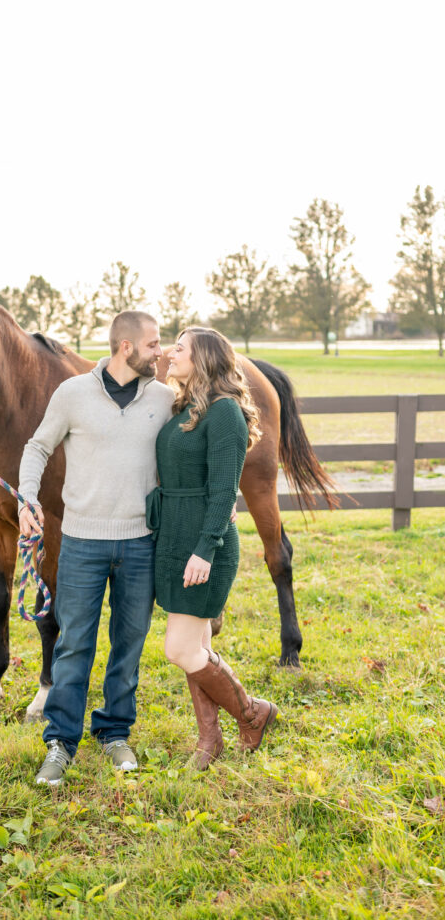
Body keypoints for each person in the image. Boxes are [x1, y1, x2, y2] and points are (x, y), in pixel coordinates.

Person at [18, 310, 175, 786]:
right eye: (153, 344)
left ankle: (114, 732)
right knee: (73, 645)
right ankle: (60, 742)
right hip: (83, 542)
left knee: (128, 644)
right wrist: (27, 497)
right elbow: (37, 447)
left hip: (140, 543)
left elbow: (196, 450)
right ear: (125, 347)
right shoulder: (73, 394)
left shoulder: (165, 398)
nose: (161, 351)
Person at [148, 327, 277, 770]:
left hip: (205, 543)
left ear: (203, 358)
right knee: (197, 643)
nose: (170, 353)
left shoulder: (225, 414)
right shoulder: (186, 405)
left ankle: (252, 712)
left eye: (179, 348)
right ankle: (210, 739)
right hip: (174, 536)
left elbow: (224, 491)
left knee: (180, 649)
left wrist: (205, 549)